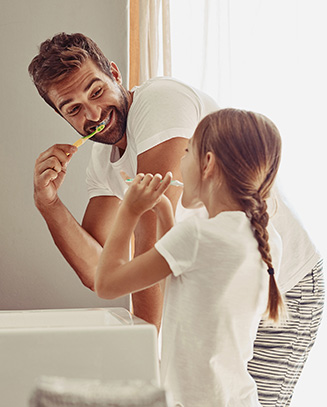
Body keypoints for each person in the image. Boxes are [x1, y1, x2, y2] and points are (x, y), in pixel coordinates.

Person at [29, 33, 324, 406]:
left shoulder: (158, 102)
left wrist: (145, 362)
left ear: (115, 74)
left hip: (283, 285)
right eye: (72, 108)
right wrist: (48, 204)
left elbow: (144, 241)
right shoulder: (103, 163)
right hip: (220, 294)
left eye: (95, 90)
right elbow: (98, 269)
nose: (92, 114)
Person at [95, 108, 285, 406]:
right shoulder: (266, 237)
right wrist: (165, 212)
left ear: (207, 163)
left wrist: (129, 211)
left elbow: (106, 284)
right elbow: (189, 288)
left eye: (187, 152)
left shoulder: (197, 235)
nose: (181, 162)